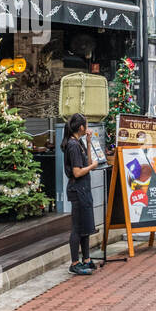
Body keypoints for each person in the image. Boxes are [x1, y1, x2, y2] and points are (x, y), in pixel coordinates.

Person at [61, 112, 97, 276]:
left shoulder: (79, 142)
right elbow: (77, 172)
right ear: (81, 127)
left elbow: (87, 162)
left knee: (86, 225)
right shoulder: (73, 145)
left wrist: (88, 143)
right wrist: (92, 167)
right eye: (86, 125)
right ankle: (75, 263)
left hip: (84, 188)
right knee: (77, 227)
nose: (87, 128)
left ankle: (86, 259)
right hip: (77, 189)